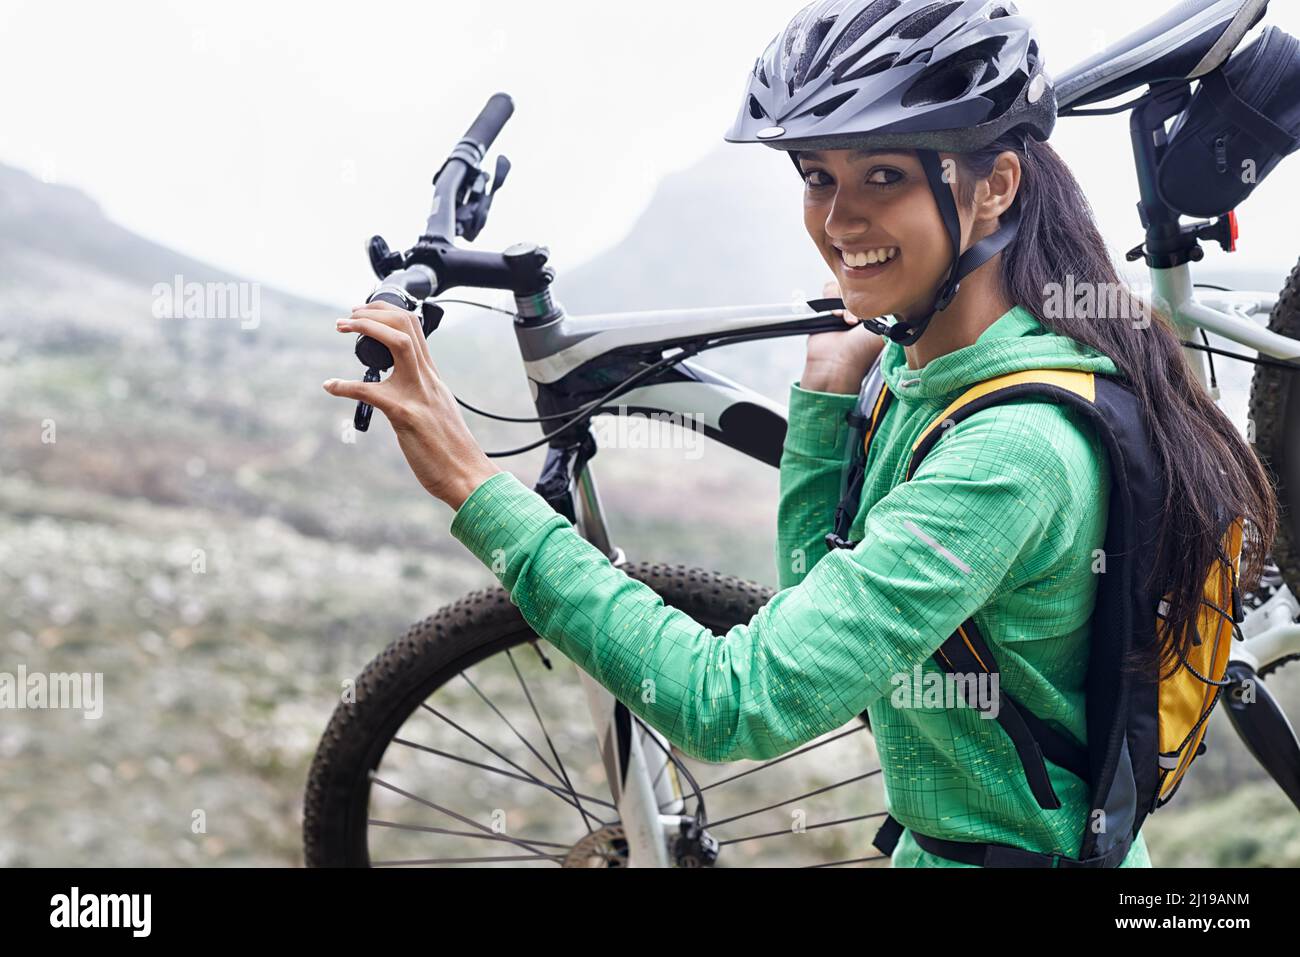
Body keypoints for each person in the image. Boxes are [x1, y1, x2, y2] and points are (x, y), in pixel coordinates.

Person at [322, 0, 1276, 867]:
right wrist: (823, 408)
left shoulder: (1012, 449)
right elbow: (832, 613)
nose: (836, 218)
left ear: (995, 187)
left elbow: (733, 700)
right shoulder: (940, 363)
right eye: (816, 176)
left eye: (884, 177)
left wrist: (473, 485)